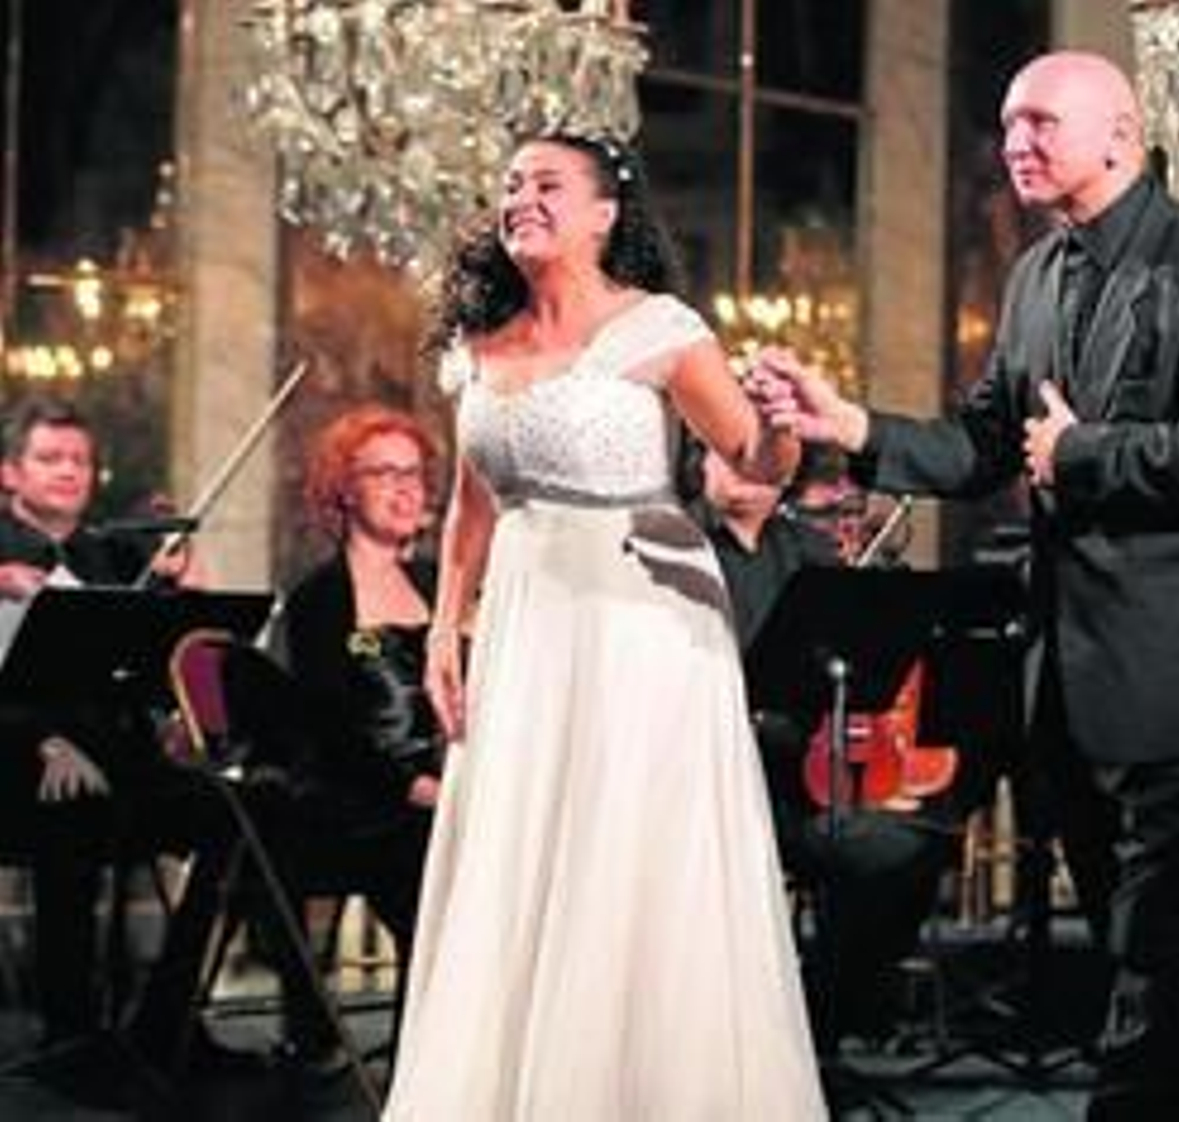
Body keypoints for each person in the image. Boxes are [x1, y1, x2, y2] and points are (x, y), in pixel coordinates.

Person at [748, 50, 1179, 1120]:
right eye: (1006, 125)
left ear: (1121, 136)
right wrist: (846, 425)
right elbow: (982, 446)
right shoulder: (1038, 275)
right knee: (1176, 985)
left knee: (1157, 968)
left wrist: (1081, 453)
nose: (1014, 144)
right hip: (1066, 677)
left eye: (1040, 121)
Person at [381, 132, 826, 1120]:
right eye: (511, 183)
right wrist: (446, 628)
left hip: (643, 620)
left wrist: (784, 424)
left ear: (603, 213)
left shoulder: (660, 328)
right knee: (520, 841)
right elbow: (471, 504)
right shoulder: (476, 346)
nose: (521, 199)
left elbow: (754, 462)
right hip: (525, 619)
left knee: (624, 846)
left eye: (548, 183)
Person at [0, 398, 262, 1093]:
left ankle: (166, 1020)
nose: (68, 471)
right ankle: (71, 1034)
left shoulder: (112, 552)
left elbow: (148, 668)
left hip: (118, 759)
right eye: (49, 458)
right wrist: (48, 740)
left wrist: (185, 604)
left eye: (79, 460)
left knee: (232, 814)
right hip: (20, 759)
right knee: (71, 801)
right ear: (9, 473)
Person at [689, 442, 957, 1047]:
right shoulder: (676, 548)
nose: (742, 466)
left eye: (755, 451)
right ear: (701, 462)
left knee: (911, 846)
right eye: (724, 450)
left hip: (801, 781)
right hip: (703, 786)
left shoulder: (813, 554)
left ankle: (821, 1022)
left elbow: (861, 670)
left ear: (785, 465)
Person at [274, 404, 442, 1067]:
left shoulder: (438, 583)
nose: (406, 489)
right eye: (384, 474)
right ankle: (428, 1067)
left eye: (415, 473)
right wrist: (416, 788)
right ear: (344, 489)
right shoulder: (319, 599)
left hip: (443, 788)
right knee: (437, 869)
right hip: (360, 803)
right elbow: (332, 731)